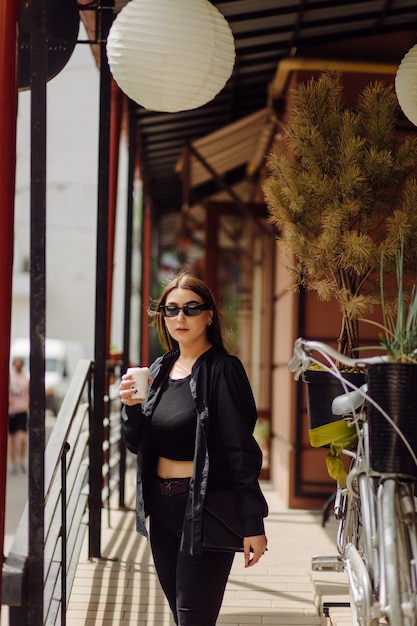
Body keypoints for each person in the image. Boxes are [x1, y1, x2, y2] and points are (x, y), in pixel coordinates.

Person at [119, 272, 268, 626]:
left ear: (209, 315)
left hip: (203, 507)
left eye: (191, 308)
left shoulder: (223, 370)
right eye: (171, 310)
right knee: (180, 614)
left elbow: (240, 452)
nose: (180, 318)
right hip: (162, 506)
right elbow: (134, 444)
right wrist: (130, 406)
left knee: (193, 619)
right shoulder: (160, 369)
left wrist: (252, 523)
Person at [8, 357, 29, 474]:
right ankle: (13, 463)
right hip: (12, 410)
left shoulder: (25, 379)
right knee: (12, 439)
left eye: (19, 363)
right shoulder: (10, 377)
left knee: (22, 437)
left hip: (22, 409)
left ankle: (21, 460)